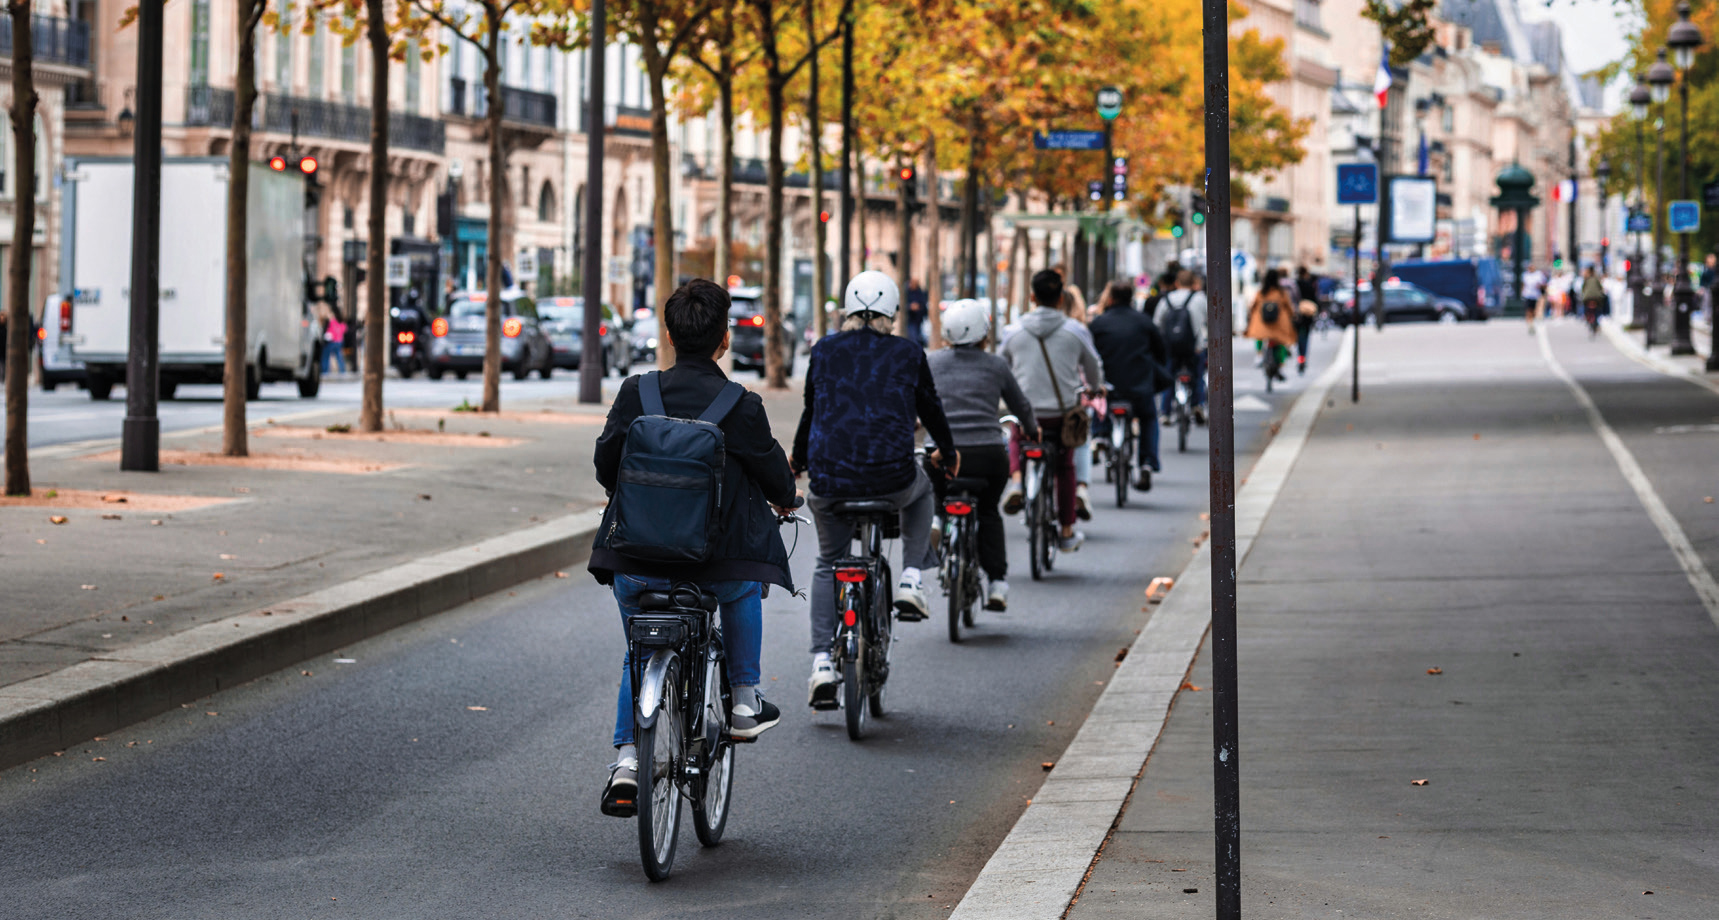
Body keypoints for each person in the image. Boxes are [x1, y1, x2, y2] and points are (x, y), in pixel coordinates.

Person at [589, 278, 799, 817]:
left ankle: (628, 764)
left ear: (668, 334)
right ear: (723, 339)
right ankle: (745, 699)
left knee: (638, 647)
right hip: (715, 564)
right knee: (743, 587)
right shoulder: (741, 405)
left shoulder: (637, 392)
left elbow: (604, 466)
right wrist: (788, 499)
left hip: (635, 560)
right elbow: (776, 477)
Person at [791, 270, 957, 707]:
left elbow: (813, 410)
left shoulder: (823, 349)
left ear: (846, 310)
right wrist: (949, 450)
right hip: (892, 478)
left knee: (829, 562)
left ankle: (822, 664)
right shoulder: (908, 351)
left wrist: (798, 460)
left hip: (829, 481)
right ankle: (910, 578)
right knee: (922, 492)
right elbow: (931, 407)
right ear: (893, 313)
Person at [927, 300, 1040, 611]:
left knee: (938, 491)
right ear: (984, 333)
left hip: (942, 454)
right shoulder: (996, 365)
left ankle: (938, 518)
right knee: (989, 511)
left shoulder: (931, 363)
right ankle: (997, 584)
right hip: (988, 454)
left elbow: (914, 405)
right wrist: (1031, 429)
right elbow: (1020, 407)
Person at [1001, 270, 1105, 551]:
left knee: (1016, 435)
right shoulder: (1076, 331)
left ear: (1032, 297)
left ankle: (1017, 482)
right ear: (1061, 299)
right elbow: (1093, 367)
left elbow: (1001, 368)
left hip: (1028, 415)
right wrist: (1096, 388)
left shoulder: (1013, 332)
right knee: (1065, 465)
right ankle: (1068, 530)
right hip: (1062, 415)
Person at [1089, 280, 1168, 491]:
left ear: (1111, 299)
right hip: (1139, 387)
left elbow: (1089, 357)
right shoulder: (1144, 322)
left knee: (1098, 402)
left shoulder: (1098, 323)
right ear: (1131, 298)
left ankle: (1100, 437)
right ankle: (1147, 464)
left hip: (1109, 387)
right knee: (1149, 418)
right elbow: (1160, 352)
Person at [1154, 269, 1208, 424]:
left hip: (1171, 348)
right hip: (1195, 347)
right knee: (1197, 377)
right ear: (1193, 284)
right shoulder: (1199, 298)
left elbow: (1157, 323)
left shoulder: (1167, 299)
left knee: (1169, 378)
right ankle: (1197, 405)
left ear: (1176, 283)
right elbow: (1209, 321)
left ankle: (1165, 412)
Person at [1246, 268, 1297, 383]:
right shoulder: (1281, 293)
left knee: (1259, 335)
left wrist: (1251, 315)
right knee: (1282, 342)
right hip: (1278, 325)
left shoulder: (1261, 292)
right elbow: (1289, 307)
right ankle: (1281, 366)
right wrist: (1292, 315)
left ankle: (1259, 355)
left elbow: (1253, 306)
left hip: (1263, 324)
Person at [1293, 266, 1320, 375]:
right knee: (1305, 338)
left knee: (1298, 337)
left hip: (1297, 314)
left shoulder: (1294, 284)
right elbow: (1314, 299)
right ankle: (1302, 358)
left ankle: (1300, 356)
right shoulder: (1309, 284)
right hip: (1308, 315)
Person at [321, 309, 348, 375]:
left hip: (332, 341)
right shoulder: (342, 322)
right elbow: (345, 330)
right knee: (339, 356)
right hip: (339, 341)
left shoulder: (332, 321)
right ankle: (342, 370)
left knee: (325, 355)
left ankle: (325, 370)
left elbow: (329, 331)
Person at [1580, 265, 1605, 334]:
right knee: (1599, 308)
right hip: (1596, 297)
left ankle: (1586, 317)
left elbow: (1583, 288)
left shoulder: (1586, 279)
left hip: (1587, 297)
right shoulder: (1596, 279)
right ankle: (1596, 321)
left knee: (1585, 306)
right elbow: (1600, 288)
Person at [905, 279, 930, 347]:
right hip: (911, 319)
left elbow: (924, 305)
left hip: (918, 319)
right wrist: (910, 307)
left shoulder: (920, 293)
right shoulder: (907, 293)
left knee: (918, 336)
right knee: (913, 336)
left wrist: (918, 307)